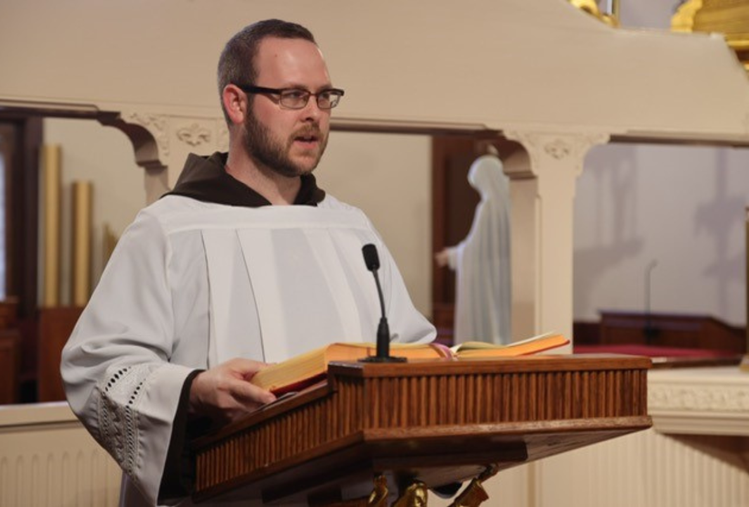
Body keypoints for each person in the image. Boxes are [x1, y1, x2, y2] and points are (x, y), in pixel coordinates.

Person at [61, 19, 435, 507]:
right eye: (293, 96)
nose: (315, 115)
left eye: (324, 97)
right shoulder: (171, 229)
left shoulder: (350, 228)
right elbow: (96, 371)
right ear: (236, 103)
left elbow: (410, 350)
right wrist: (193, 390)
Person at [435, 146, 511, 345]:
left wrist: (451, 255)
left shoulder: (487, 207)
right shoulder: (517, 203)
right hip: (510, 277)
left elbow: (476, 249)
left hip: (489, 278)